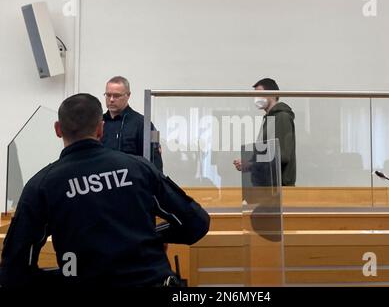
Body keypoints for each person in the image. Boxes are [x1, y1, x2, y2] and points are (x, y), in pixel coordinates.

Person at [0, 94, 210, 288]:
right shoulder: (139, 169)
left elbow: (15, 269)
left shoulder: (42, 186)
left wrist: (65, 275)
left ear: (58, 129)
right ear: (101, 129)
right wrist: (149, 236)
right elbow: (196, 222)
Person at [233, 78, 296, 186]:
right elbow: (266, 153)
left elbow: (282, 156)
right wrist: (248, 163)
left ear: (272, 94)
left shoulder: (281, 117)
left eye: (260, 94)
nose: (256, 98)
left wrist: (250, 165)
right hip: (266, 186)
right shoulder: (269, 119)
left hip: (279, 188)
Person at [102, 76, 163, 172]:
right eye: (108, 95)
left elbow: (155, 162)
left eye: (116, 95)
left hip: (132, 182)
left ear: (128, 95)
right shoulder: (98, 123)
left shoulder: (144, 124)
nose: (111, 99)